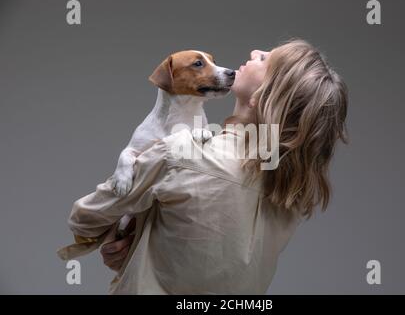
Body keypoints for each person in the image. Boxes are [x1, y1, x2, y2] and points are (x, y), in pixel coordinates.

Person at [67, 38, 348, 294]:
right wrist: (141, 240)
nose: (254, 51)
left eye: (265, 59)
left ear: (260, 97)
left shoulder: (180, 153)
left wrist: (118, 239)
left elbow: (84, 218)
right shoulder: (294, 187)